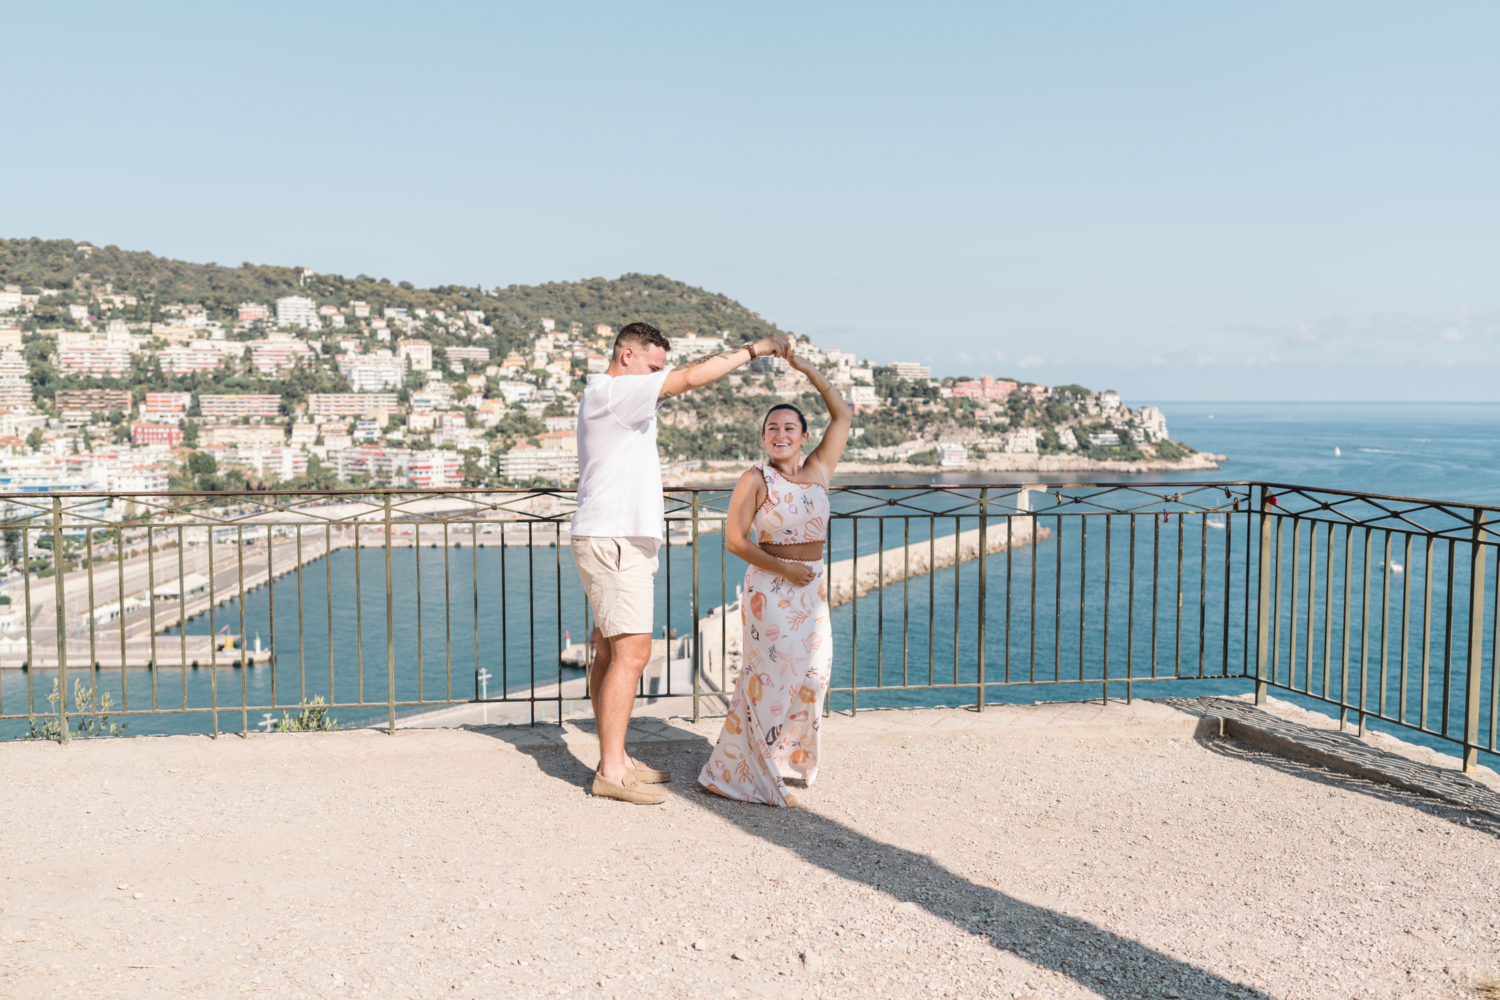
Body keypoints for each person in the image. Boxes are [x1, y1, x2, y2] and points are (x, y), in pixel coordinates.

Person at [571, 322, 791, 805]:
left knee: (609, 653)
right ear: (627, 356)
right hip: (616, 540)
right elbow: (691, 378)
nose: (660, 376)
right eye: (653, 366)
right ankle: (610, 770)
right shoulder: (619, 391)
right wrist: (756, 350)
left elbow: (675, 386)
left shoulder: (609, 396)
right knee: (632, 654)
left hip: (609, 535)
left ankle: (618, 756)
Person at [698, 346, 852, 807]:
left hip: (813, 591)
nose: (780, 434)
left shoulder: (820, 469)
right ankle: (748, 774)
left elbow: (842, 414)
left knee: (814, 676)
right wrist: (785, 568)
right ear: (764, 438)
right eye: (772, 429)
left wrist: (805, 369)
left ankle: (782, 759)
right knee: (770, 678)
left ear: (804, 436)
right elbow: (734, 541)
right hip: (772, 589)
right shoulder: (755, 478)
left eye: (789, 428)